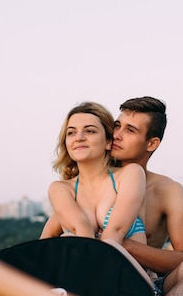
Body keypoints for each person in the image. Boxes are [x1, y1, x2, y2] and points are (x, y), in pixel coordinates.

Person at [111, 96, 183, 296]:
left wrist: (117, 243)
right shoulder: (91, 180)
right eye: (117, 126)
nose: (117, 135)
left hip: (149, 283)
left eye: (130, 130)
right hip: (95, 277)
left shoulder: (168, 190)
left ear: (152, 143)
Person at [39, 101, 147, 246]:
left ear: (109, 141)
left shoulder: (130, 174)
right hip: (83, 264)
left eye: (90, 131)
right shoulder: (60, 189)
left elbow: (116, 232)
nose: (79, 138)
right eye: (71, 132)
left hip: (123, 266)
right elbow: (82, 230)